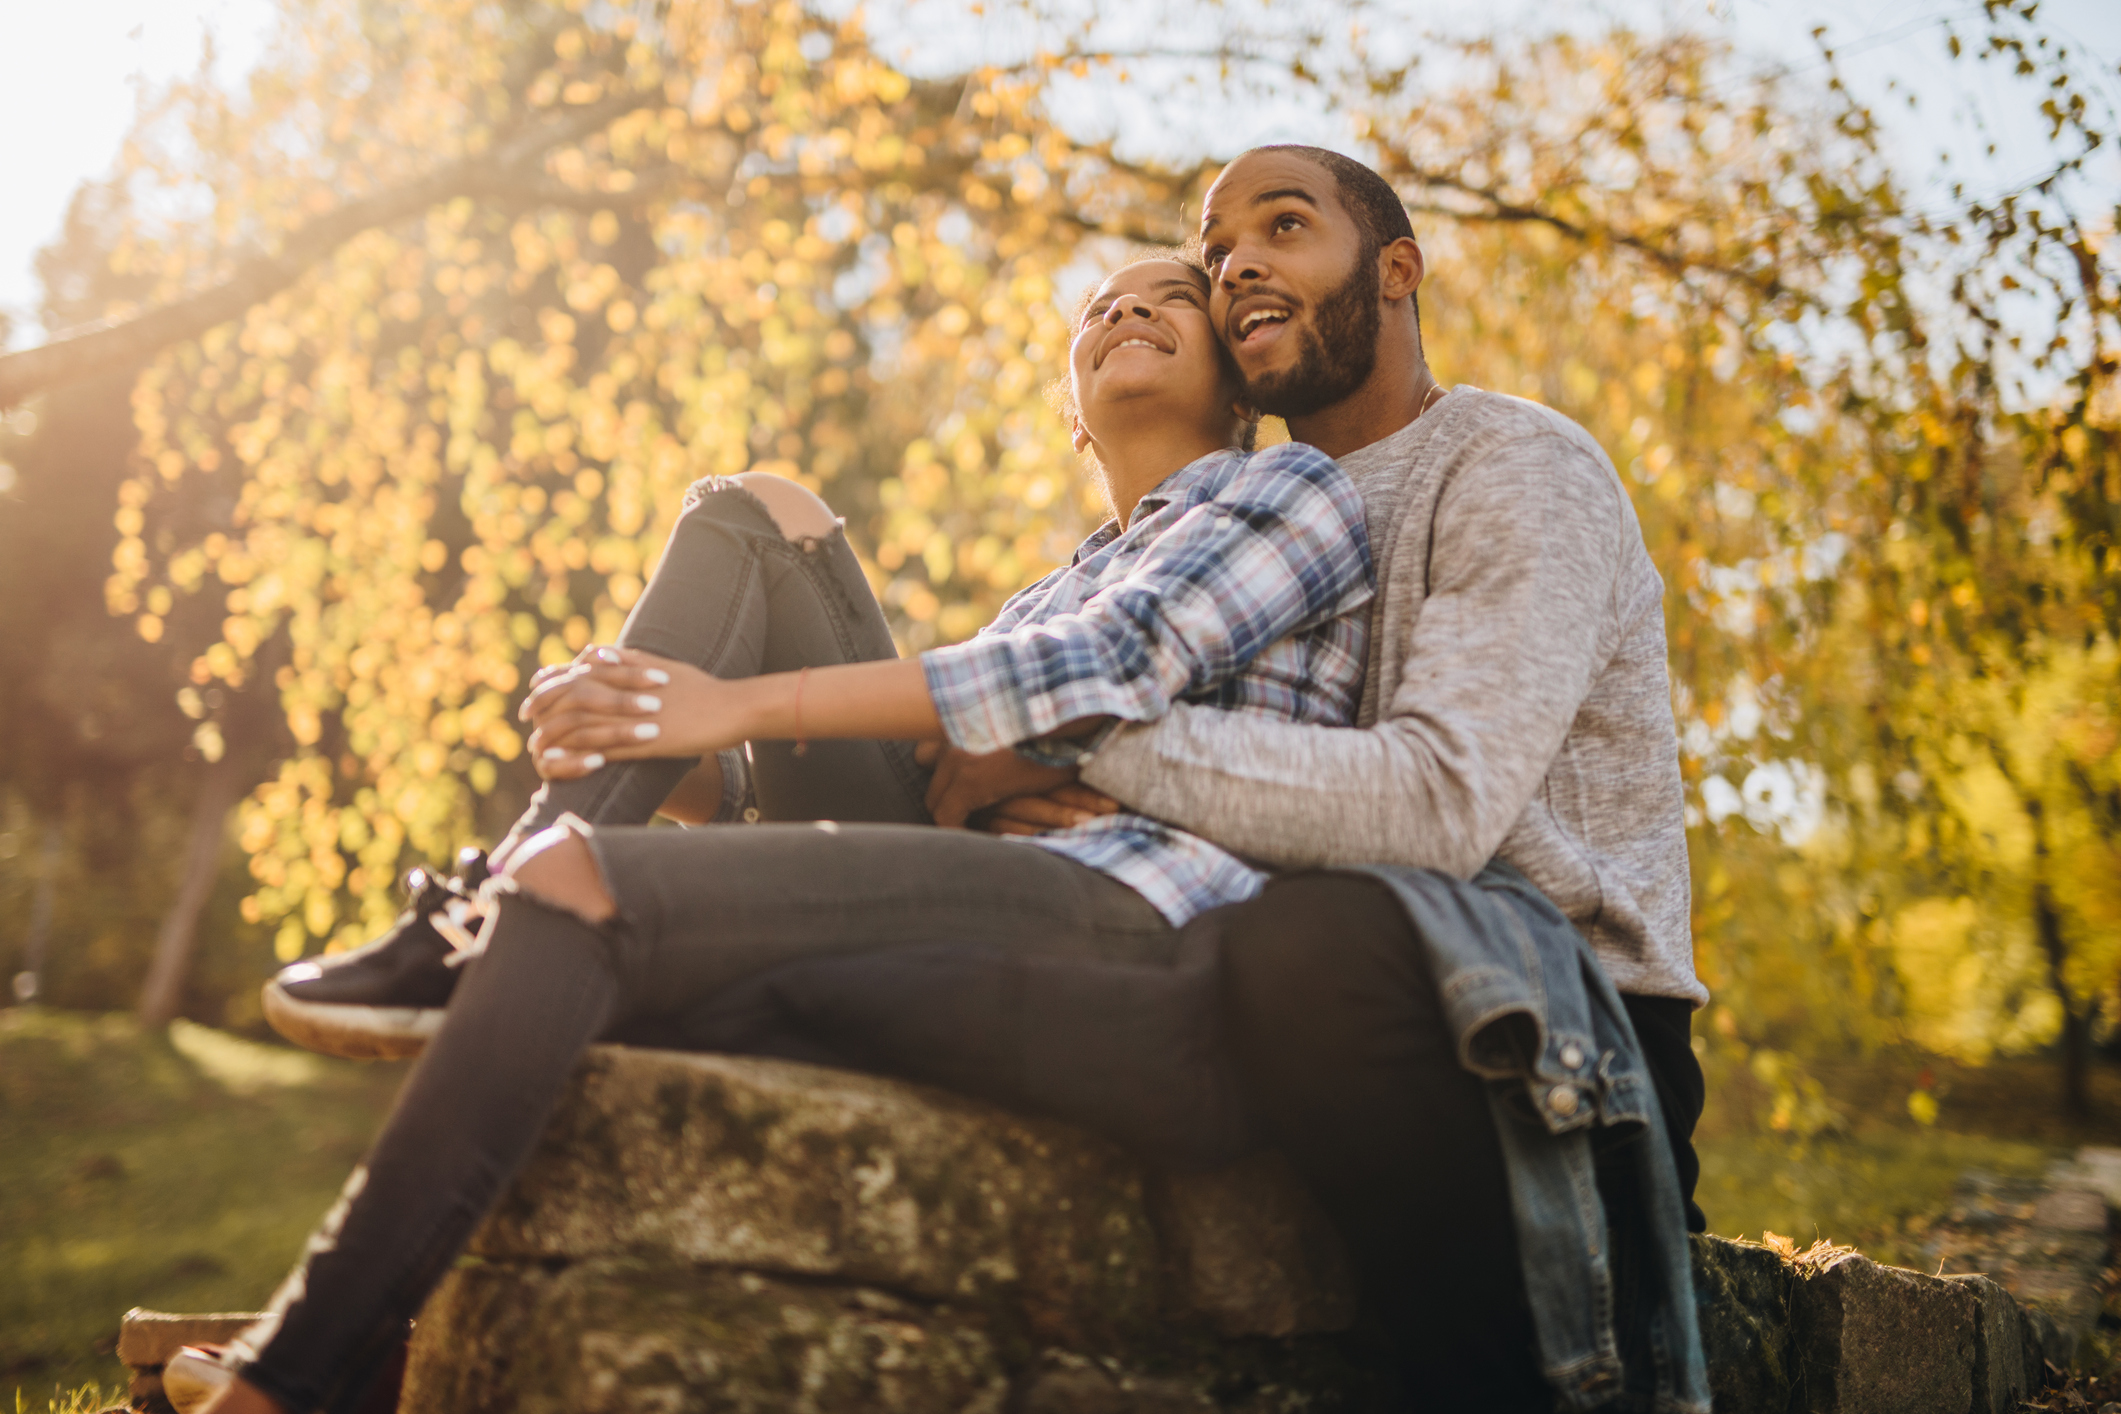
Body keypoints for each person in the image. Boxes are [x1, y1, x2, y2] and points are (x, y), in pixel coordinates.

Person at [171, 251, 1381, 1414]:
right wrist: (677, 748)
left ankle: (290, 1373)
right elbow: (924, 754)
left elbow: (1106, 666)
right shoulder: (1039, 595)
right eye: (1099, 309)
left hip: (1136, 906)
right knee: (759, 511)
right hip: (979, 880)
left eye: (1169, 300)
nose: (1123, 313)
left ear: (1236, 379)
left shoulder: (1281, 491)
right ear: (1072, 413)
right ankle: (358, 1342)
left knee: (576, 885)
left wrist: (753, 706)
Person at [921, 146, 1712, 1410]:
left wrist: (1068, 740)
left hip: (1554, 1014)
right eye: (1220, 244)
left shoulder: (1515, 464)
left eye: (1284, 228)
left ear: (1396, 271)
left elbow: (1438, 808)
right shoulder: (1243, 513)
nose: (1238, 264)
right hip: (1303, 954)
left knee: (1301, 944)